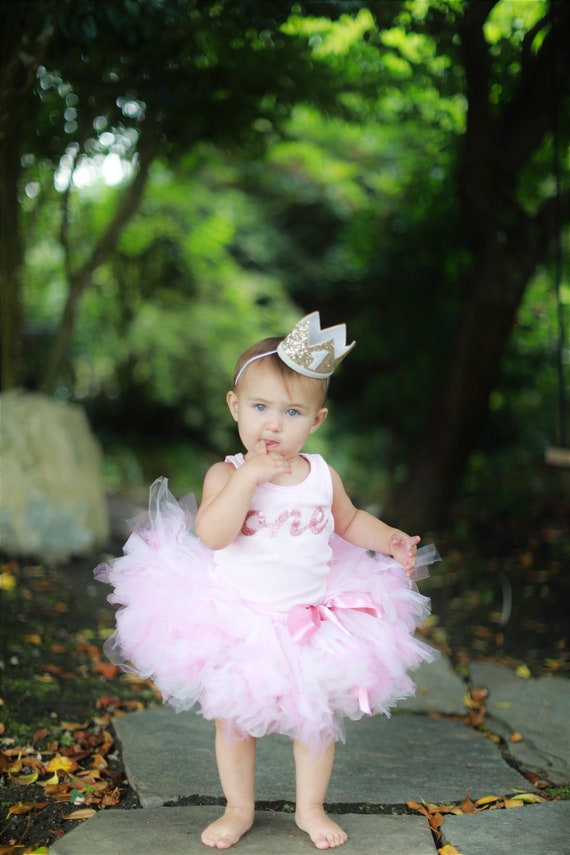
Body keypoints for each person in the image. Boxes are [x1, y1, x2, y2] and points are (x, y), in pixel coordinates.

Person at [96, 311, 439, 851]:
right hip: (237, 619)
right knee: (235, 722)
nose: (273, 425)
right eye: (260, 408)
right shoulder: (227, 473)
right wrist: (250, 477)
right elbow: (212, 534)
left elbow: (348, 522)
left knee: (315, 721)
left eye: (291, 411)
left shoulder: (321, 474)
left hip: (310, 619)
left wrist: (390, 538)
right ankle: (238, 808)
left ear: (316, 420)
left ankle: (310, 807)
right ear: (235, 407)